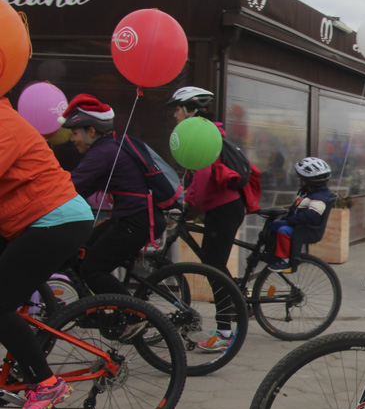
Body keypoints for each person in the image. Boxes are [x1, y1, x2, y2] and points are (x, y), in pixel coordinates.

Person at [1, 92, 95, 409]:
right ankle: (30, 328)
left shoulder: (4, 124)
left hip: (56, 219)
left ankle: (45, 383)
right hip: (31, 218)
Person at [61, 94, 167, 295]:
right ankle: (92, 309)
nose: (71, 139)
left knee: (93, 270)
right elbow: (81, 189)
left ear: (91, 131)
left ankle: (132, 318)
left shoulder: (103, 153)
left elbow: (71, 186)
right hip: (131, 217)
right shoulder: (109, 147)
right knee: (82, 251)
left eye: (74, 132)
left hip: (136, 221)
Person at [169, 86, 245, 350]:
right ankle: (236, 299)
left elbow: (201, 175)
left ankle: (225, 332)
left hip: (225, 208)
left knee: (213, 268)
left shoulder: (203, 136)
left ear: (191, 110)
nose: (175, 115)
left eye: (177, 109)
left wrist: (187, 205)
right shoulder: (206, 133)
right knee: (215, 265)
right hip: (219, 208)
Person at [266, 157, 334, 272]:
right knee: (273, 225)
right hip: (298, 224)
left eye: (301, 178)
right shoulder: (308, 192)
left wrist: (291, 220)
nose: (299, 180)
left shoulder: (319, 197)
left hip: (306, 229)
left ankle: (284, 260)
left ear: (308, 181)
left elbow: (312, 215)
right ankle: (271, 254)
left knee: (283, 230)